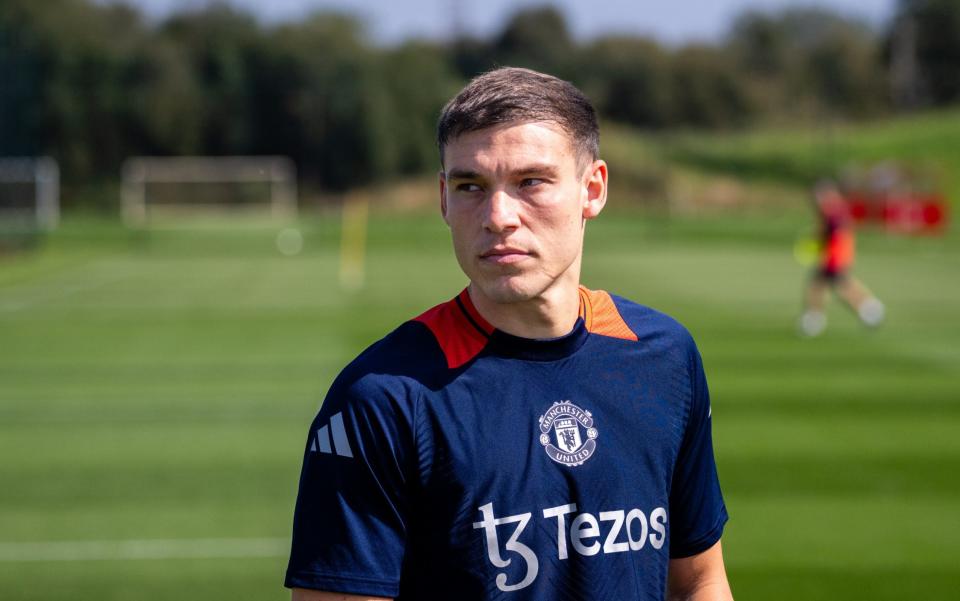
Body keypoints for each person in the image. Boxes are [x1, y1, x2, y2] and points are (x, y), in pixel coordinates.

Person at [286, 67, 732, 601]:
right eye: (470, 186)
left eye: (531, 182)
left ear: (592, 190)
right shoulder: (380, 398)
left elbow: (698, 581)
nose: (498, 216)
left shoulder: (665, 357)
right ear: (444, 201)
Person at [798, 180, 884, 337]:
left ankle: (868, 308)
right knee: (830, 285)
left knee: (834, 286)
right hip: (837, 254)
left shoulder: (833, 209)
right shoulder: (834, 208)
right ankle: (868, 308)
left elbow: (832, 232)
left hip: (836, 255)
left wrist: (819, 243)